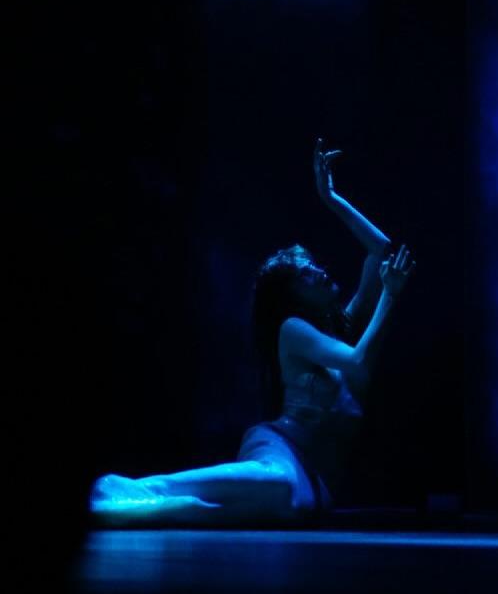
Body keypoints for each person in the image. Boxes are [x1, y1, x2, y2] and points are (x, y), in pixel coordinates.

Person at [90, 138, 415, 527]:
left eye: (312, 266)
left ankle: (157, 509)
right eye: (305, 274)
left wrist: (330, 198)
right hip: (282, 448)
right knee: (278, 487)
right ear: (294, 297)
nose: (318, 271)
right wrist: (390, 296)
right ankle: (123, 490)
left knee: (279, 503)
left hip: (314, 476)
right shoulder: (294, 330)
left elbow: (381, 250)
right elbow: (359, 361)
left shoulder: (342, 328)